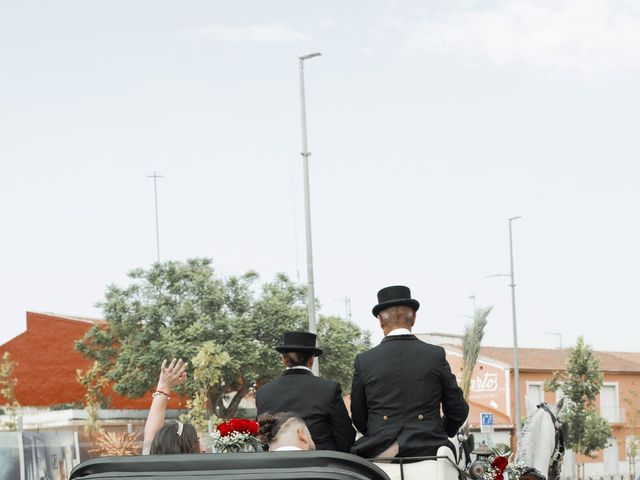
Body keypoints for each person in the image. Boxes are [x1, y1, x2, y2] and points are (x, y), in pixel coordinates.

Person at [350, 285, 469, 461]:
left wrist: (380, 435)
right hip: (430, 450)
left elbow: (359, 417)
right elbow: (458, 410)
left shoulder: (364, 360)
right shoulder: (435, 355)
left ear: (381, 321)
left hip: (380, 454)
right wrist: (436, 431)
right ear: (413, 318)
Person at [255, 332, 355, 452]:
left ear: (283, 359)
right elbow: (345, 435)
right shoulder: (329, 388)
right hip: (322, 462)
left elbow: (262, 438)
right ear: (311, 360)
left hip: (277, 464)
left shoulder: (263, 392)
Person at [142, 358, 201, 455]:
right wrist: (164, 387)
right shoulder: (203, 467)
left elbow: (149, 442)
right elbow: (149, 442)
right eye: (197, 441)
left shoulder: (150, 466)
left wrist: (163, 387)